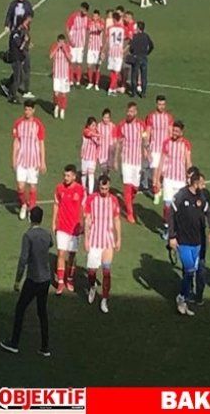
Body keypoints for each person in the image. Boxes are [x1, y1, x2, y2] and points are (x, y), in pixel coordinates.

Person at [0, 206, 52, 357]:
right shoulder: (47, 234)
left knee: (20, 309)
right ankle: (45, 347)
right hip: (46, 278)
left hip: (33, 278)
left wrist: (17, 281)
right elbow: (50, 244)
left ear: (30, 218)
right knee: (42, 312)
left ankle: (14, 342)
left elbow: (23, 260)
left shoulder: (28, 236)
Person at [168, 173, 210, 317]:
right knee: (190, 270)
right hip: (183, 241)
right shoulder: (181, 195)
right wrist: (171, 236)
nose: (204, 186)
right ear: (195, 183)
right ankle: (181, 297)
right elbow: (171, 214)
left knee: (191, 271)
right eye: (202, 183)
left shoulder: (201, 196)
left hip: (197, 242)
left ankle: (183, 299)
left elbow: (209, 213)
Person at [84, 175, 122, 313]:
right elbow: (87, 220)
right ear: (98, 187)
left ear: (109, 187)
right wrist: (86, 239)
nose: (104, 191)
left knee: (106, 271)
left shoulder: (114, 200)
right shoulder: (91, 199)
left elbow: (117, 220)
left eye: (106, 188)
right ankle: (92, 286)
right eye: (102, 188)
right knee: (91, 271)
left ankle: (104, 299)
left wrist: (118, 239)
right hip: (94, 239)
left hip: (107, 240)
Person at [154, 120, 192, 237]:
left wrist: (189, 177)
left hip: (180, 180)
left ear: (181, 132)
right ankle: (167, 227)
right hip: (168, 179)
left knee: (180, 206)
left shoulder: (186, 144)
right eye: (173, 130)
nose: (174, 133)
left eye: (176, 131)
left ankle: (178, 228)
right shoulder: (167, 143)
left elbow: (188, 162)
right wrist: (157, 179)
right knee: (168, 205)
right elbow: (161, 161)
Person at [52, 164, 85, 295]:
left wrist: (82, 224)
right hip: (62, 226)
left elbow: (84, 208)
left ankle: (69, 279)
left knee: (72, 255)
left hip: (74, 228)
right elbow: (56, 205)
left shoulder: (81, 190)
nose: (65, 178)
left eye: (68, 176)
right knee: (61, 253)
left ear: (74, 176)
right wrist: (54, 222)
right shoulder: (59, 188)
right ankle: (60, 282)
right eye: (64, 175)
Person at [12, 100, 47, 220]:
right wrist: (13, 158)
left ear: (33, 110)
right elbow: (16, 142)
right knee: (20, 186)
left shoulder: (38, 125)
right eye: (26, 109)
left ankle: (31, 208)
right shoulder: (18, 123)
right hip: (21, 160)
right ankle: (23, 204)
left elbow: (41, 143)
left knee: (32, 187)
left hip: (34, 161)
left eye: (29, 109)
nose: (27, 111)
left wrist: (42, 161)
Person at [115, 102, 145, 223]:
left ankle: (128, 202)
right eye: (128, 111)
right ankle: (130, 213)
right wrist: (116, 159)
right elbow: (118, 143)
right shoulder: (122, 125)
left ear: (136, 112)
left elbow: (145, 139)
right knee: (127, 186)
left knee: (135, 187)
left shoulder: (141, 125)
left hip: (137, 160)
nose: (130, 113)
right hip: (126, 160)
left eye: (132, 111)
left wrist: (146, 151)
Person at [145, 95, 174, 204]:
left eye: (163, 104)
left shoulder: (169, 117)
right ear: (156, 104)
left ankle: (159, 186)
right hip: (155, 149)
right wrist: (147, 149)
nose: (161, 106)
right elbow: (148, 133)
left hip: (165, 150)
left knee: (163, 173)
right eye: (159, 104)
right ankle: (156, 193)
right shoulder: (151, 117)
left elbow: (171, 133)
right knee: (155, 172)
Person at [2, 16, 31, 104]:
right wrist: (25, 41)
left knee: (19, 77)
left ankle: (8, 87)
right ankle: (12, 95)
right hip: (15, 59)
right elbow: (20, 47)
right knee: (18, 79)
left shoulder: (18, 32)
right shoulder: (15, 34)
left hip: (18, 58)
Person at [65, 2, 89, 87]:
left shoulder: (86, 18)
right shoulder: (74, 16)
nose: (85, 12)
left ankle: (78, 81)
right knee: (72, 62)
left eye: (86, 11)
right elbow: (67, 27)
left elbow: (89, 27)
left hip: (81, 44)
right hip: (73, 44)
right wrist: (70, 39)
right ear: (81, 9)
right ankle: (71, 80)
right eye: (84, 10)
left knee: (79, 63)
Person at [49, 34, 72, 120]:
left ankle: (62, 109)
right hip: (57, 75)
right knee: (56, 93)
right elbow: (50, 56)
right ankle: (56, 106)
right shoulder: (54, 46)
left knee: (63, 93)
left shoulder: (67, 47)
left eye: (62, 42)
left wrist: (65, 50)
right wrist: (57, 47)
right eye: (60, 42)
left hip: (64, 75)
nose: (61, 43)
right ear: (57, 41)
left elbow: (70, 59)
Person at [102, 12, 126, 96]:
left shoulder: (110, 28)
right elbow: (126, 37)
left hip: (111, 52)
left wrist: (103, 51)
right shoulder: (123, 28)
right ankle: (111, 89)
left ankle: (113, 87)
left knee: (112, 71)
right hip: (118, 52)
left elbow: (107, 40)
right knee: (116, 72)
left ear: (114, 19)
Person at [129, 21, 154, 98]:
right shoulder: (146, 36)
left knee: (134, 76)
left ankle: (134, 93)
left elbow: (131, 48)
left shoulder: (135, 36)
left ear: (138, 28)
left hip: (136, 57)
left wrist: (133, 53)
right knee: (144, 77)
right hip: (144, 57)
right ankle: (143, 93)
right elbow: (152, 46)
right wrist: (147, 53)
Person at [85, 10, 105, 90]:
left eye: (96, 16)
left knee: (97, 66)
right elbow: (88, 28)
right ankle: (90, 82)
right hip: (91, 47)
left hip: (98, 48)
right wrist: (92, 22)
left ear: (98, 17)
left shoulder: (101, 23)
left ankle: (96, 83)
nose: (94, 17)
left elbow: (100, 29)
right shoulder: (90, 23)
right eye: (93, 16)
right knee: (89, 65)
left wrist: (96, 23)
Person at [80, 117, 100, 195]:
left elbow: (99, 145)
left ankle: (90, 192)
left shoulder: (97, 133)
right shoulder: (86, 131)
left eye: (95, 125)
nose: (94, 127)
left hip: (92, 158)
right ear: (88, 126)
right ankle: (83, 190)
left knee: (91, 175)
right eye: (92, 125)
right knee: (84, 174)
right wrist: (98, 135)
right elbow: (89, 134)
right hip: (85, 157)